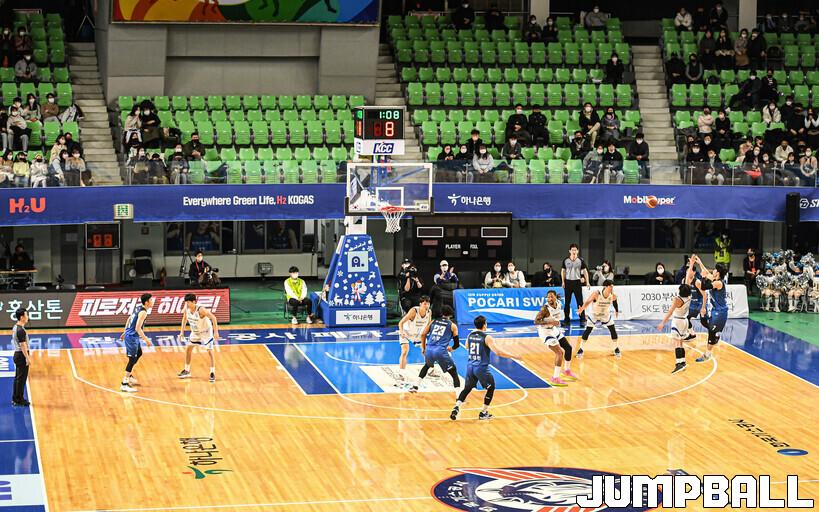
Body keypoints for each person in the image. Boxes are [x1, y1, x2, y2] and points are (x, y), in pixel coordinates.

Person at [450, 315, 518, 421]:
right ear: (484, 324)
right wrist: (513, 355)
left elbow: (467, 346)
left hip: (470, 366)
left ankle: (456, 407)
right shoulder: (487, 337)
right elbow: (498, 352)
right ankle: (483, 412)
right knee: (491, 387)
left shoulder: (470, 335)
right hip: (481, 368)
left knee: (467, 388)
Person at [410, 305, 460, 395]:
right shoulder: (453, 326)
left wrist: (423, 348)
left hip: (429, 349)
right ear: (451, 314)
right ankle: (459, 397)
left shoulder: (433, 321)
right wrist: (451, 348)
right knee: (454, 373)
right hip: (440, 351)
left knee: (427, 365)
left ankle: (415, 386)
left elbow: (423, 334)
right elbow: (457, 344)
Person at [176, 293, 220, 382]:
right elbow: (184, 319)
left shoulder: (201, 310)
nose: (187, 304)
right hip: (195, 332)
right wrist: (181, 332)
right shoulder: (186, 309)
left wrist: (216, 332)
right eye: (186, 302)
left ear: (194, 302)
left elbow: (213, 318)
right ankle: (187, 370)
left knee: (209, 351)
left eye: (188, 302)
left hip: (206, 331)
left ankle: (212, 372)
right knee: (188, 349)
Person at [534, 299, 574, 387]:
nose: (550, 299)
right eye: (548, 297)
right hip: (545, 332)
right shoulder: (545, 308)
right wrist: (549, 322)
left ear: (555, 298)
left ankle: (566, 371)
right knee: (559, 352)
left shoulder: (559, 304)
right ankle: (555, 378)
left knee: (568, 348)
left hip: (553, 330)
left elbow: (556, 317)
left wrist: (556, 322)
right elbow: (536, 321)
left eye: (551, 297)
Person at [576, 280, 620, 359]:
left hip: (605, 314)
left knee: (613, 330)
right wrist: (582, 309)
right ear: (605, 286)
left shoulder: (613, 295)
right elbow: (588, 301)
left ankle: (616, 348)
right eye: (610, 287)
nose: (611, 288)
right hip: (594, 314)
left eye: (612, 287)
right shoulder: (597, 293)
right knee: (588, 330)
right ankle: (581, 349)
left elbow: (615, 302)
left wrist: (616, 310)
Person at [119, 294, 154, 393]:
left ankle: (129, 375)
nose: (152, 302)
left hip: (132, 336)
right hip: (132, 337)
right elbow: (137, 328)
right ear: (146, 302)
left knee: (139, 353)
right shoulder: (143, 312)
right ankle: (124, 384)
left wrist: (125, 331)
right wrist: (146, 339)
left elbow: (129, 319)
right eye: (151, 300)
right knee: (132, 360)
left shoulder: (138, 308)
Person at [695, 259, 729, 363]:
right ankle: (716, 335)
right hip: (715, 310)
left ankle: (707, 354)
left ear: (717, 273)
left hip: (720, 312)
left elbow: (704, 287)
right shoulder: (715, 278)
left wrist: (703, 277)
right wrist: (700, 263)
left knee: (711, 332)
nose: (712, 271)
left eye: (714, 269)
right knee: (704, 321)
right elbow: (706, 272)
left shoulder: (718, 283)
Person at [657, 284, 694, 374]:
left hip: (678, 321)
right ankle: (683, 362)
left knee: (676, 343)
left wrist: (662, 322)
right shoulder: (689, 298)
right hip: (685, 321)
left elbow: (670, 311)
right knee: (680, 342)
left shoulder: (677, 299)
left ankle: (679, 364)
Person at [397, 295, 432, 382]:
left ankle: (430, 369)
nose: (427, 306)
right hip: (406, 333)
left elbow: (428, 325)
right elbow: (401, 323)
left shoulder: (429, 312)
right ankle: (401, 373)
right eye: (425, 304)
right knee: (405, 351)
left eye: (428, 304)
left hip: (417, 335)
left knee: (426, 351)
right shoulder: (414, 311)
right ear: (420, 304)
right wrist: (401, 332)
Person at [561, 244, 589, 327]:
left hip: (577, 283)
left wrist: (587, 282)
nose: (574, 251)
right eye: (572, 250)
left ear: (577, 251)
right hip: (568, 283)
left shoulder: (580, 260)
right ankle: (566, 320)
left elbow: (585, 271)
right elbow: (563, 271)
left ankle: (582, 319)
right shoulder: (566, 260)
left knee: (580, 302)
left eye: (575, 250)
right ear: (569, 251)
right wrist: (563, 281)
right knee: (567, 303)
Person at [11, 308, 32, 406]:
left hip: (18, 354)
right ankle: (19, 399)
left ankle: (16, 398)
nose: (28, 317)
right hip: (21, 355)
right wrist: (27, 358)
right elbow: (23, 345)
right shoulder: (20, 330)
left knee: (18, 379)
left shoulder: (16, 327)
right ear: (22, 317)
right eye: (26, 315)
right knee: (21, 379)